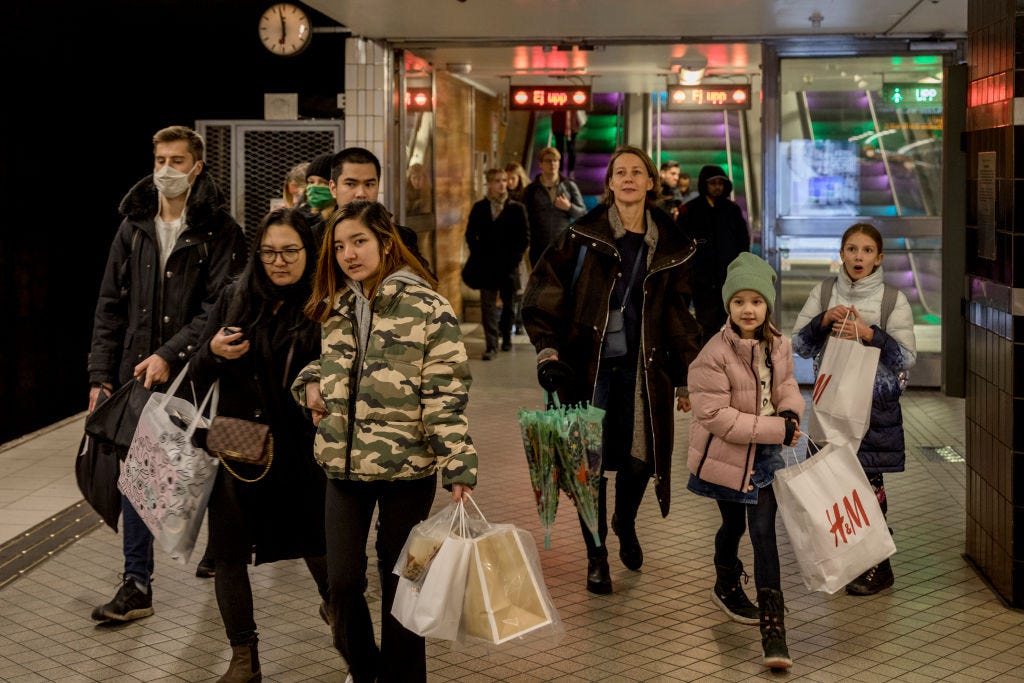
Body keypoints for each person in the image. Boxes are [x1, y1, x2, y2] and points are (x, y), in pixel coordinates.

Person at [291, 200, 478, 683]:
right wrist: (309, 381)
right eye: (339, 246)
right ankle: (366, 668)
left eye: (359, 242)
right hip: (342, 465)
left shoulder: (427, 306)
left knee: (404, 584)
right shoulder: (336, 305)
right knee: (342, 581)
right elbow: (332, 367)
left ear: (385, 243)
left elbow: (445, 391)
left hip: (408, 469)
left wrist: (458, 463)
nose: (348, 254)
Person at [522, 145, 701, 594]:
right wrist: (548, 351)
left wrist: (684, 377)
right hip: (591, 368)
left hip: (646, 370)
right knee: (589, 465)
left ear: (650, 182)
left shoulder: (671, 244)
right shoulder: (582, 235)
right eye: (619, 172)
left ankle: (624, 519)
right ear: (609, 184)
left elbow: (679, 314)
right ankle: (596, 554)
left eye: (636, 172)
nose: (627, 179)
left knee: (642, 458)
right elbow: (543, 292)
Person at [87, 125, 246, 621]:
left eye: (178, 161)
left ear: (197, 167)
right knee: (137, 473)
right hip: (140, 372)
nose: (166, 171)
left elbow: (220, 307)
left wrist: (171, 354)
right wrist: (100, 376)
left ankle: (224, 550)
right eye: (160, 159)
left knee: (217, 467)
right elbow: (110, 306)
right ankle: (137, 583)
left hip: (206, 370)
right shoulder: (133, 227)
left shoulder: (221, 230)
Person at [189, 207, 330, 683]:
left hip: (302, 442)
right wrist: (212, 352)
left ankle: (348, 631)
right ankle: (243, 657)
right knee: (228, 550)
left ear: (308, 253)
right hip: (236, 437)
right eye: (269, 252)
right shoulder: (236, 295)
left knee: (320, 546)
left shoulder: (323, 302)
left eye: (291, 251)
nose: (279, 262)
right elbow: (198, 371)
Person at [680, 252, 804, 671]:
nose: (748, 309)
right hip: (726, 457)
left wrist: (790, 414)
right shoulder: (713, 354)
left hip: (765, 453)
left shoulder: (780, 344)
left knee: (763, 532)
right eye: (739, 302)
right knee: (732, 525)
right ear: (727, 306)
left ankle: (774, 631)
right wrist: (777, 430)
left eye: (756, 301)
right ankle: (726, 580)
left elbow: (787, 384)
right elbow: (715, 417)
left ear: (767, 304)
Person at [791, 222, 917, 596]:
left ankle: (880, 564)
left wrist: (870, 334)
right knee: (834, 483)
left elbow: (907, 357)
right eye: (851, 249)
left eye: (865, 251)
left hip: (873, 409)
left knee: (868, 483)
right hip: (830, 405)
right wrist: (824, 321)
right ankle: (852, 558)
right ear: (841, 254)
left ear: (878, 258)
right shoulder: (824, 291)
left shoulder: (893, 299)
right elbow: (799, 344)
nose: (857, 257)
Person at [675, 164, 751, 347]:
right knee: (705, 325)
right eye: (713, 183)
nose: (717, 187)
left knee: (732, 324)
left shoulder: (732, 210)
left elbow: (743, 242)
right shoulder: (690, 210)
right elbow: (681, 246)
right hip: (702, 281)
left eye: (720, 183)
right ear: (704, 184)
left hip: (729, 280)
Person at [324, 146, 431, 274]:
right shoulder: (315, 237)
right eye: (351, 184)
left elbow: (424, 279)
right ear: (333, 188)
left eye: (369, 184)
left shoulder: (401, 236)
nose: (361, 193)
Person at [463, 168, 529, 360]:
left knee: (508, 305)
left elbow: (524, 238)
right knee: (488, 307)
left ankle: (507, 337)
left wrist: (514, 259)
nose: (502, 184)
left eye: (504, 180)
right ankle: (491, 345)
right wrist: (479, 254)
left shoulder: (517, 209)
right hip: (486, 265)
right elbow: (470, 234)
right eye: (498, 181)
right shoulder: (480, 208)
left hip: (508, 265)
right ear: (489, 184)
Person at [522, 146, 586, 267]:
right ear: (540, 164)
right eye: (548, 160)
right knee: (540, 283)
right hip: (538, 246)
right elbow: (524, 218)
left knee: (561, 283)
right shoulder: (531, 190)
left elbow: (583, 214)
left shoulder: (569, 186)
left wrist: (569, 207)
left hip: (562, 245)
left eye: (555, 160)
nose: (552, 163)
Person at [504, 160, 533, 335]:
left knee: (524, 282)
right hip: (508, 247)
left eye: (512, 178)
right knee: (512, 284)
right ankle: (511, 320)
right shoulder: (503, 196)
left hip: (525, 246)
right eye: (506, 178)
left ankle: (520, 320)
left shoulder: (527, 195)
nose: (508, 182)